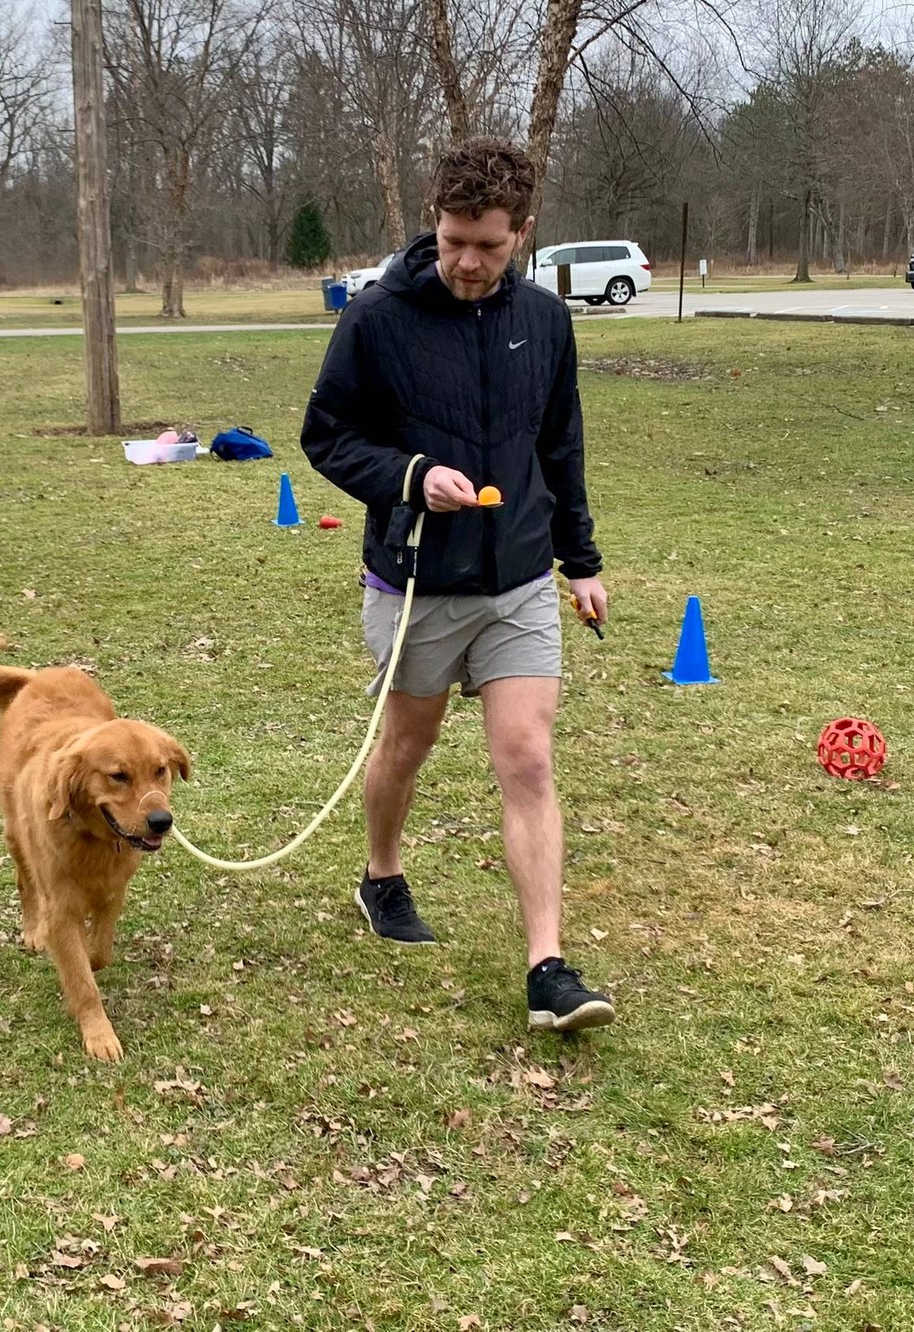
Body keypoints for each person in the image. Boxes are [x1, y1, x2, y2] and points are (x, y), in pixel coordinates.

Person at [300, 138, 615, 1033]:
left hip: (516, 580)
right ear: (433, 226)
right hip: (417, 585)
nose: (468, 263)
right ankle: (382, 875)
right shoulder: (377, 316)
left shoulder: (546, 322)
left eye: (487, 245)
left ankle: (548, 966)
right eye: (452, 242)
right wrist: (410, 476)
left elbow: (561, 446)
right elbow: (325, 435)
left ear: (522, 232)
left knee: (527, 756)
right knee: (408, 745)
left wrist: (580, 560)